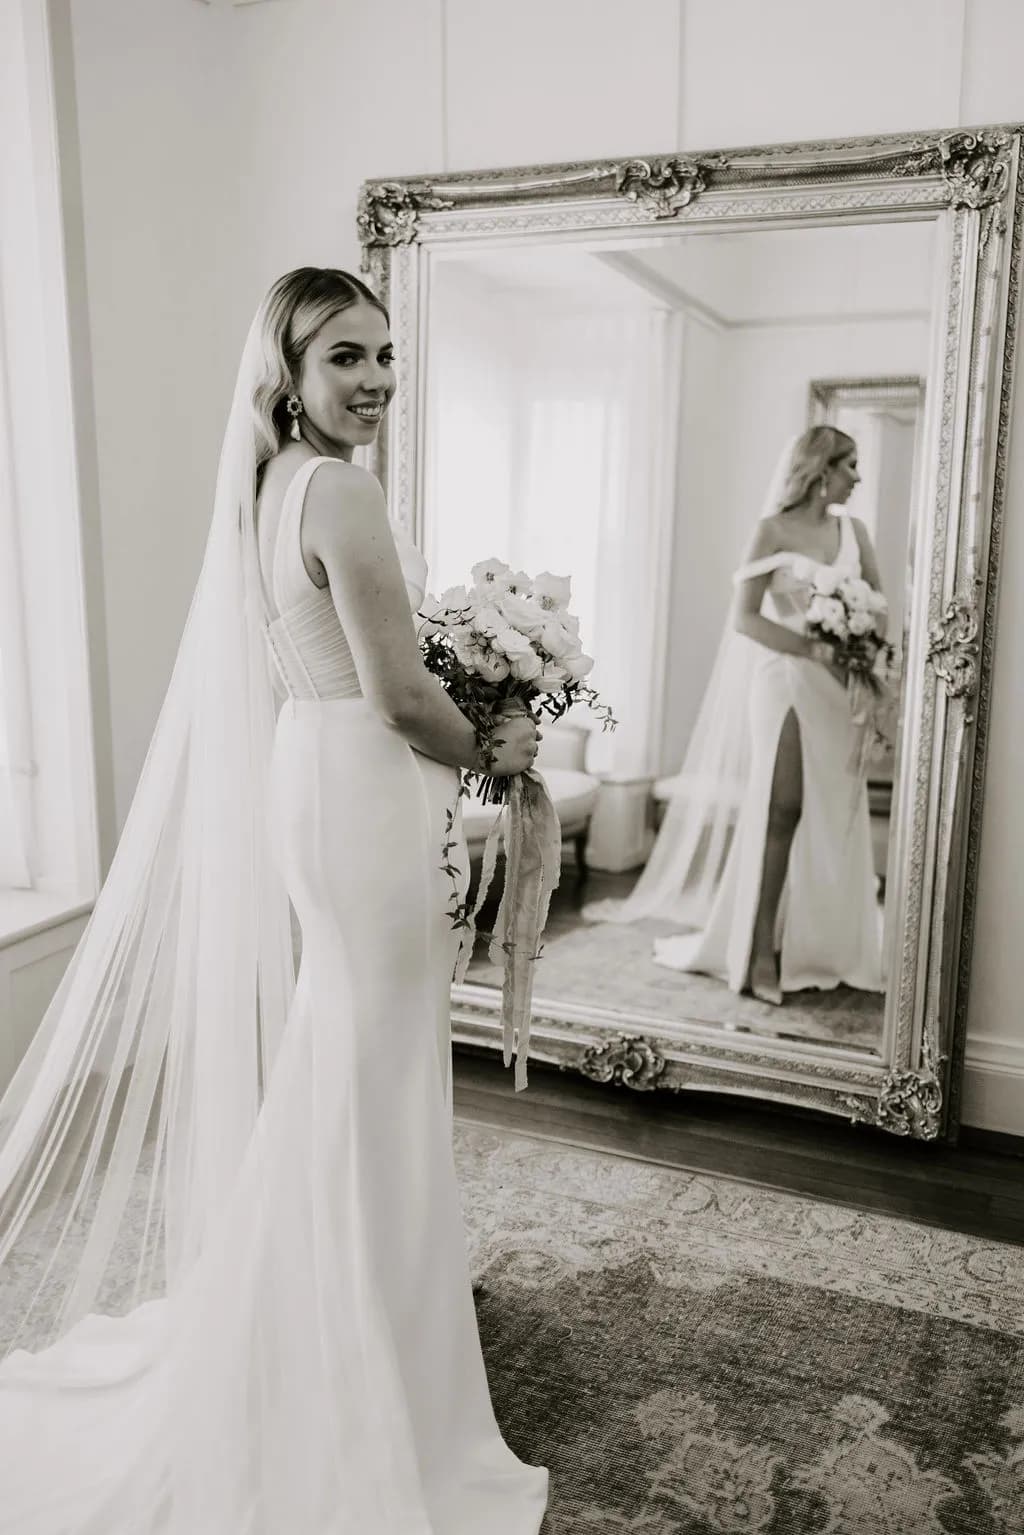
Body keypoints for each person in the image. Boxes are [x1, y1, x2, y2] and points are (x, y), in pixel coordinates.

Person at [0, 268, 549, 1533]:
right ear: (288, 376)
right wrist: (494, 754)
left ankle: (332, 1293)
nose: (374, 380)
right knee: (372, 1059)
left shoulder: (265, 487)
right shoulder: (340, 488)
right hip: (363, 781)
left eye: (386, 354)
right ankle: (355, 1329)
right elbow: (403, 695)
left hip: (317, 771)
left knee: (345, 1049)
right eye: (345, 357)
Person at [586, 426, 886, 1006]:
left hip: (839, 690)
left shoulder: (856, 532)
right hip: (786, 681)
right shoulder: (771, 530)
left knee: (833, 817)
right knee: (783, 809)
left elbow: (877, 604)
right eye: (850, 464)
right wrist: (814, 647)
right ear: (821, 469)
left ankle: (829, 946)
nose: (857, 476)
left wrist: (860, 649)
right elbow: (746, 618)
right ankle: (759, 952)